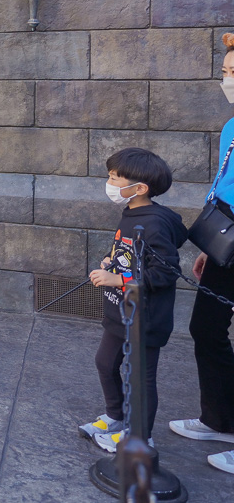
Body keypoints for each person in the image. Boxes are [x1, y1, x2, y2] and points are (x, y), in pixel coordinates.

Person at [78, 147, 186, 453]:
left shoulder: (155, 222)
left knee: (140, 378)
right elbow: (131, 255)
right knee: (105, 363)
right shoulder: (130, 213)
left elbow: (165, 274)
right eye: (110, 175)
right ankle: (117, 417)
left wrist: (118, 279)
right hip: (120, 311)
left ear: (139, 188)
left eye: (115, 177)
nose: (110, 182)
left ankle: (140, 436)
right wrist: (112, 262)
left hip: (146, 318)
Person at [169, 32, 234, 475]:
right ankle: (221, 419)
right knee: (206, 327)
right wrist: (212, 246)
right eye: (227, 71)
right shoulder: (232, 125)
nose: (227, 80)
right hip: (227, 238)